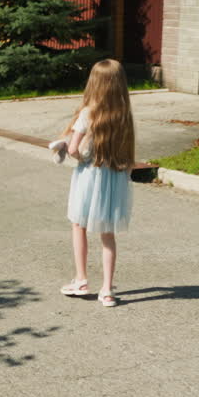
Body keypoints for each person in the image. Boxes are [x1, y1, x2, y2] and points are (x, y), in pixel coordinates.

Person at [57, 59, 135, 308]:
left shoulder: (87, 113)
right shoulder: (124, 114)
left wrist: (68, 149)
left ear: (94, 83)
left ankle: (81, 280)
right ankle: (107, 291)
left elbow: (74, 149)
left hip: (89, 177)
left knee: (78, 224)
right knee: (107, 234)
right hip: (114, 178)